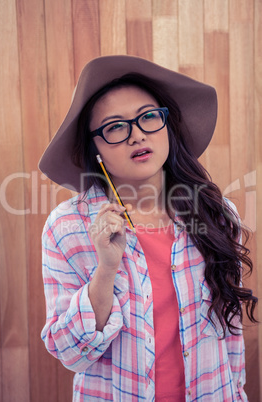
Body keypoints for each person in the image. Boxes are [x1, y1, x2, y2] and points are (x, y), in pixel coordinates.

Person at [39, 55, 257, 401]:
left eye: (149, 117)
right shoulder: (67, 228)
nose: (137, 134)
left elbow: (229, 336)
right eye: (115, 127)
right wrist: (106, 269)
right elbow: (71, 353)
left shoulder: (216, 214)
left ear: (166, 125)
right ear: (95, 148)